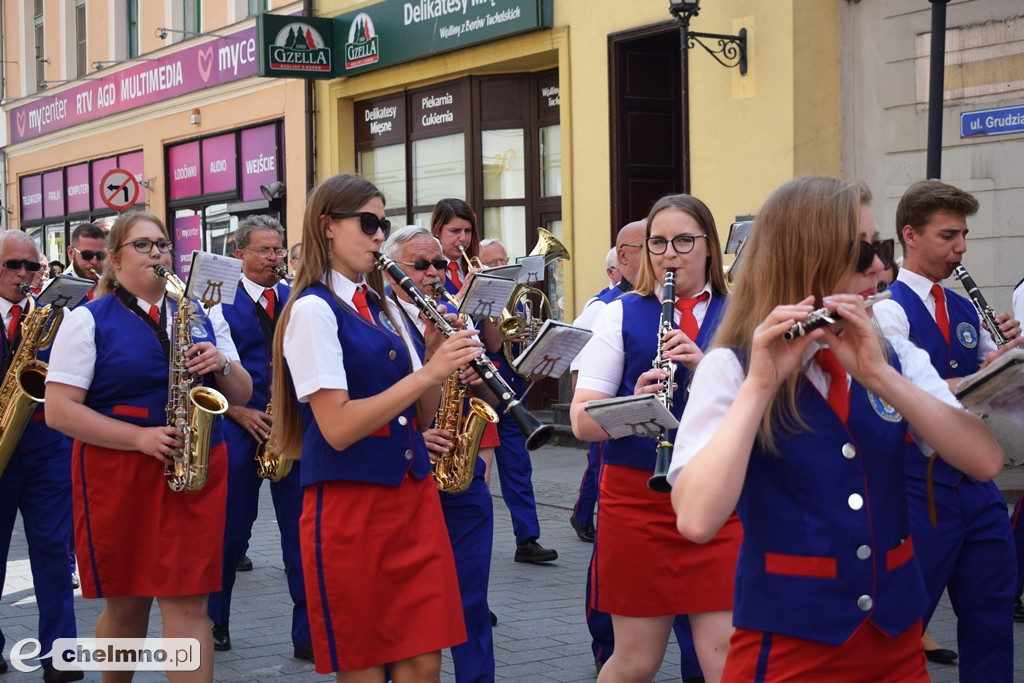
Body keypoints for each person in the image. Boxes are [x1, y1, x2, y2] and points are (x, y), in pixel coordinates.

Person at [669, 175, 1004, 681]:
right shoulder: (733, 367)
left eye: (881, 248)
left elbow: (984, 460)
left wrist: (879, 376)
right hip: (788, 646)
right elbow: (696, 519)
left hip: (895, 644)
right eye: (860, 252)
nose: (879, 266)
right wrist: (760, 386)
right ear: (807, 258)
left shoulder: (893, 356)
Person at [270, 174, 479, 680]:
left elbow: (423, 412)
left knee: (424, 665)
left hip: (412, 502)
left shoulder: (385, 306)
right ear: (327, 227)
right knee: (363, 668)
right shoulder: (312, 309)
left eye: (382, 225)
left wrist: (437, 358)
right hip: (352, 507)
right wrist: (428, 371)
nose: (378, 236)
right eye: (368, 223)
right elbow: (337, 427)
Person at [45, 210, 253, 683]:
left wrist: (221, 361)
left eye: (162, 244)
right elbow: (60, 411)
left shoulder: (200, 311)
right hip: (117, 474)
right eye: (142, 245)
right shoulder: (86, 321)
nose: (157, 252)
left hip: (194, 467)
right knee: (127, 603)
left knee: (189, 602)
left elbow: (241, 393)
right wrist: (138, 437)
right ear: (115, 260)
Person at [571, 194, 737, 683]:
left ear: (708, 246)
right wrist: (636, 407)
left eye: (684, 240)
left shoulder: (745, 308)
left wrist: (707, 368)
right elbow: (582, 421)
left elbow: (771, 408)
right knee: (636, 661)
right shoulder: (618, 314)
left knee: (724, 657)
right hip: (638, 500)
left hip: (720, 497)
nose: (670, 254)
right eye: (658, 243)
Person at [872, 179, 1021, 682]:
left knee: (992, 615)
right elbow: (896, 385)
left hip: (976, 483)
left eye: (964, 236)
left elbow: (993, 389)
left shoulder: (962, 308)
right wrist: (978, 376)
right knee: (905, 617)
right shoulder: (888, 308)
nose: (960, 248)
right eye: (948, 236)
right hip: (918, 482)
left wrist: (1007, 360)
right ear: (910, 235)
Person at [382, 224, 497, 683]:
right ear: (393, 270)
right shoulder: (378, 317)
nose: (433, 273)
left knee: (471, 595)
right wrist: (411, 436)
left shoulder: (456, 315)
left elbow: (493, 388)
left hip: (458, 467)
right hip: (405, 473)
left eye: (439, 264)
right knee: (403, 601)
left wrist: (478, 378)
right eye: (422, 265)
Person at [205, 215, 311, 660]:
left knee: (301, 534)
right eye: (264, 251)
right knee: (229, 534)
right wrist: (239, 410)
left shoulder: (298, 298)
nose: (274, 259)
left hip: (290, 428)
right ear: (239, 255)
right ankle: (216, 621)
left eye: (278, 250)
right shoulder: (216, 302)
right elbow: (211, 370)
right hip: (238, 426)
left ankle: (307, 633)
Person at [430, 199, 558, 564]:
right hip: (448, 383)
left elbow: (493, 340)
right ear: (437, 230)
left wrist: (490, 299)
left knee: (501, 467)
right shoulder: (436, 272)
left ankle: (524, 537)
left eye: (468, 231)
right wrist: (465, 294)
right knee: (460, 480)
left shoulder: (475, 269)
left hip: (485, 377)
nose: (463, 238)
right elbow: (436, 320)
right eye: (455, 231)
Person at [0, 232, 81, 683]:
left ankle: (61, 655)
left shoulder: (54, 316)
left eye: (34, 267)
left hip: (46, 450)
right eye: (15, 265)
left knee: (53, 553)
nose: (27, 276)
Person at [65, 222, 106, 300]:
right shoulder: (56, 287)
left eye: (100, 255)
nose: (94, 261)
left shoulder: (113, 286)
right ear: (71, 253)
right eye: (87, 255)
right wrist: (100, 297)